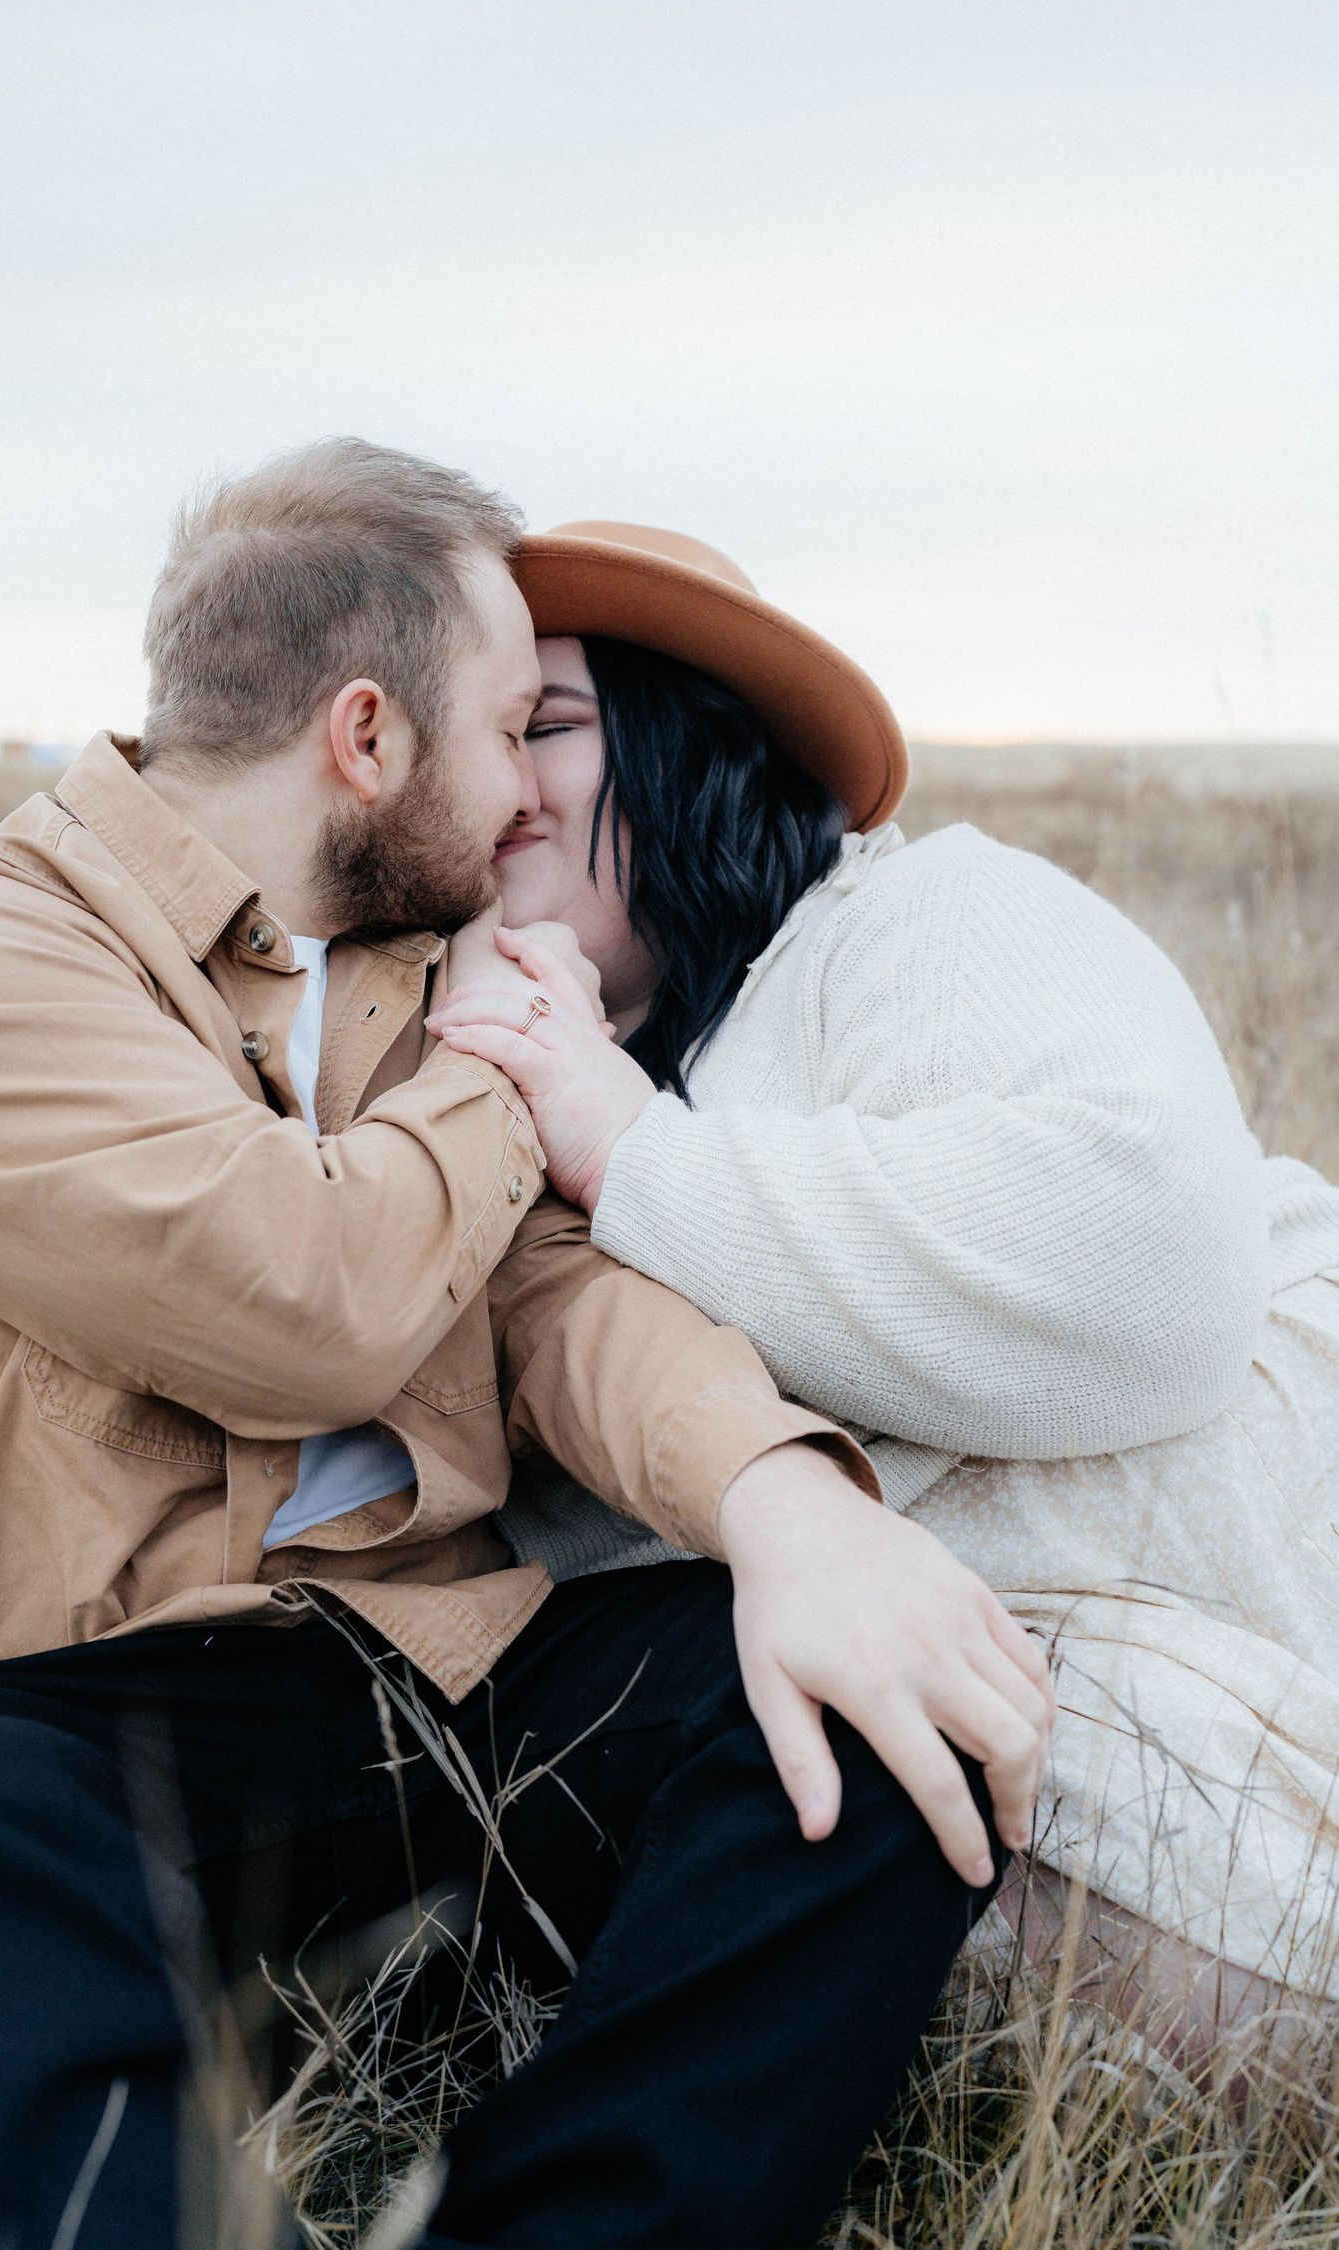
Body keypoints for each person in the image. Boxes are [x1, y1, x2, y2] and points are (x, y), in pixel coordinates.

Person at [0, 448, 1054, 2250]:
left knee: (864, 1716)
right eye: (506, 729)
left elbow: (557, 1295)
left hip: (418, 1680)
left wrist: (788, 1502)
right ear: (367, 734)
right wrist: (506, 1068)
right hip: (42, 1716)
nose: (524, 800)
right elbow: (296, 1298)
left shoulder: (418, 974)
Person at [426, 519, 1339, 2064]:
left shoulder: (916, 921)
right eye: (479, 735)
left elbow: (1157, 1257)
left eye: (552, 725)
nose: (503, 782)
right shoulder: (481, 1063)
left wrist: (638, 1155)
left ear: (691, 749)